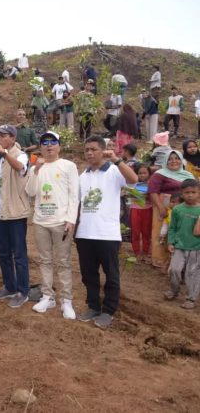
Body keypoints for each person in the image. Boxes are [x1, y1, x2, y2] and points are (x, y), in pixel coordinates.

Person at [75, 136, 138, 328]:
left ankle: (109, 310)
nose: (89, 153)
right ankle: (93, 306)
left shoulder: (114, 170)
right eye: (86, 150)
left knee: (111, 274)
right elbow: (77, 203)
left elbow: (133, 179)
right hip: (84, 234)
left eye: (94, 149)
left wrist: (117, 160)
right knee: (89, 274)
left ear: (103, 151)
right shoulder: (83, 176)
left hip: (107, 235)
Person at [25, 131, 79, 319]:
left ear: (59, 146)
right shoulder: (35, 168)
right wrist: (36, 171)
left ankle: (67, 301)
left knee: (63, 261)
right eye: (45, 143)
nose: (49, 146)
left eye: (53, 142)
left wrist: (71, 219)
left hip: (61, 222)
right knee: (45, 260)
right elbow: (30, 192)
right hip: (40, 221)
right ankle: (48, 296)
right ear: (40, 147)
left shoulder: (68, 166)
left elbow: (74, 195)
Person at [0, 124, 31, 308]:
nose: (0, 139)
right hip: (0, 211)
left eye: (4, 136)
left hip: (15, 213)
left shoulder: (20, 154)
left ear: (13, 138)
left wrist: (4, 153)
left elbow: (20, 167)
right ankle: (9, 286)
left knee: (19, 254)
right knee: (3, 252)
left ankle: (23, 291)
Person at [149, 150, 194, 269]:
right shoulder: (159, 174)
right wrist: (161, 208)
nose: (174, 161)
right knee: (161, 233)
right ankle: (160, 260)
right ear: (166, 161)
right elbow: (153, 192)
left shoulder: (188, 175)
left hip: (183, 208)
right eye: (170, 159)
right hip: (163, 206)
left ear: (181, 160)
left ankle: (176, 261)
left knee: (178, 232)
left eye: (177, 158)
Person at [165, 179, 200, 309]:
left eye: (193, 192)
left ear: (199, 193)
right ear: (182, 193)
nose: (190, 195)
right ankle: (174, 290)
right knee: (174, 269)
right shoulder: (178, 209)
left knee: (193, 273)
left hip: (196, 248)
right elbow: (172, 227)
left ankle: (191, 298)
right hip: (179, 245)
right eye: (187, 192)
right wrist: (171, 242)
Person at [130, 163, 152, 264]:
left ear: (149, 174)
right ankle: (137, 253)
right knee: (135, 232)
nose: (142, 175)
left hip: (148, 209)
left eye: (144, 173)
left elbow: (152, 196)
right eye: (139, 173)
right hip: (135, 209)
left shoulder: (152, 184)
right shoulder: (132, 184)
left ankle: (146, 253)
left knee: (146, 232)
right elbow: (128, 196)